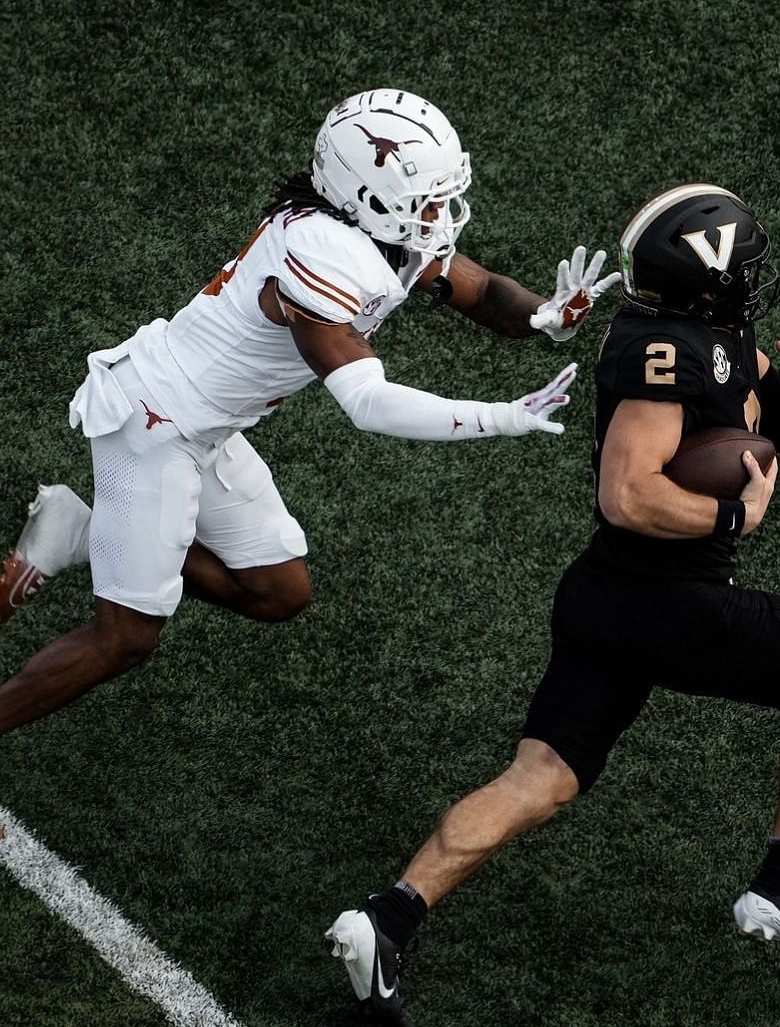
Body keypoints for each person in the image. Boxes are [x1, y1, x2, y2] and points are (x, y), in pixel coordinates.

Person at [326, 185, 780, 1023]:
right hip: (662, 600)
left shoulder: (712, 330)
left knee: (541, 778)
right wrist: (734, 517)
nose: (758, 278)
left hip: (608, 601)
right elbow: (629, 495)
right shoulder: (662, 353)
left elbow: (752, 434)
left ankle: (387, 917)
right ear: (709, 276)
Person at [0, 89, 610, 737]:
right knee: (125, 637)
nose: (441, 213)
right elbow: (367, 401)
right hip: (156, 423)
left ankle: (82, 535)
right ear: (370, 197)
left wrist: (545, 317)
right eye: (428, 198)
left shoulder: (371, 229)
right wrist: (502, 417)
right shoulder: (319, 255)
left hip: (206, 424)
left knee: (278, 591)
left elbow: (483, 291)